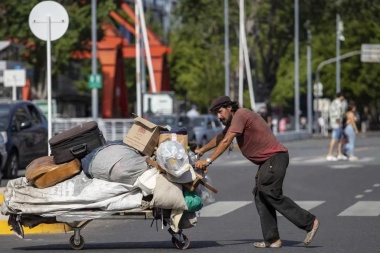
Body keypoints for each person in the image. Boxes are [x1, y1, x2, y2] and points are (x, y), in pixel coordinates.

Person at [194, 96, 320, 248]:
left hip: (275, 158)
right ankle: (272, 239)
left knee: (269, 192)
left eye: (220, 112)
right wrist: (201, 150)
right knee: (260, 196)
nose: (219, 116)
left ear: (229, 107)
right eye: (216, 114)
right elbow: (221, 137)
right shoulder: (235, 119)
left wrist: (208, 160)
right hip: (268, 162)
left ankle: (309, 222)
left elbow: (227, 141)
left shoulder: (240, 115)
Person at [326, 92, 347, 161]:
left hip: (338, 123)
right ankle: (330, 154)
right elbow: (337, 115)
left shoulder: (338, 103)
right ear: (341, 96)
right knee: (334, 139)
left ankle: (339, 153)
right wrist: (339, 123)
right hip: (336, 124)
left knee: (340, 138)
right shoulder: (336, 103)